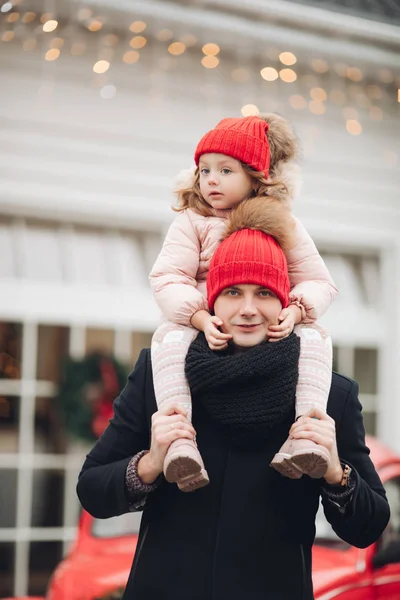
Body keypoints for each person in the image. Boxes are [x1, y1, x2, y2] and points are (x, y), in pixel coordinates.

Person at [77, 202, 390, 600]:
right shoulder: (161, 375)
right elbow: (92, 489)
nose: (247, 309)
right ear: (211, 301)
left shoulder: (329, 393)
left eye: (263, 292)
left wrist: (335, 472)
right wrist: (151, 463)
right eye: (232, 291)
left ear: (284, 303)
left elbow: (369, 526)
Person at [149, 114, 337, 491]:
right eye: (204, 171)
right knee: (168, 339)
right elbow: (168, 277)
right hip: (202, 321)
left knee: (315, 337)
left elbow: (318, 280)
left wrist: (296, 309)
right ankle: (179, 437)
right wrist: (200, 317)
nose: (211, 180)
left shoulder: (281, 221)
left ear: (255, 175)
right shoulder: (193, 220)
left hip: (263, 326)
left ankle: (305, 431)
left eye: (225, 170)